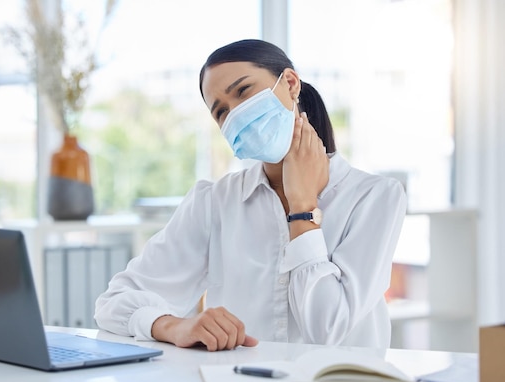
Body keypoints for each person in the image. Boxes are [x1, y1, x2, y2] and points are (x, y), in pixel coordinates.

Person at [95, 39, 407, 351]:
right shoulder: (214, 202)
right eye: (221, 111)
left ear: (290, 83)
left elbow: (327, 330)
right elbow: (114, 303)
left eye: (243, 91)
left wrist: (302, 208)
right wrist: (173, 325)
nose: (236, 114)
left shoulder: (375, 198)